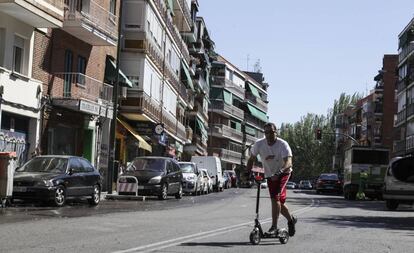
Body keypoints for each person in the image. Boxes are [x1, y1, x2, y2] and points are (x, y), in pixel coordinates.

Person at [246, 122, 297, 236]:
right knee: (278, 202)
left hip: (283, 173)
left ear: (276, 132)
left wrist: (279, 172)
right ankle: (291, 220)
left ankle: (274, 227)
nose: (268, 135)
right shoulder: (259, 144)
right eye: (266, 132)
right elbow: (251, 159)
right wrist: (247, 172)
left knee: (275, 198)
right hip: (270, 175)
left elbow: (288, 162)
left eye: (271, 132)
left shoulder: (283, 144)